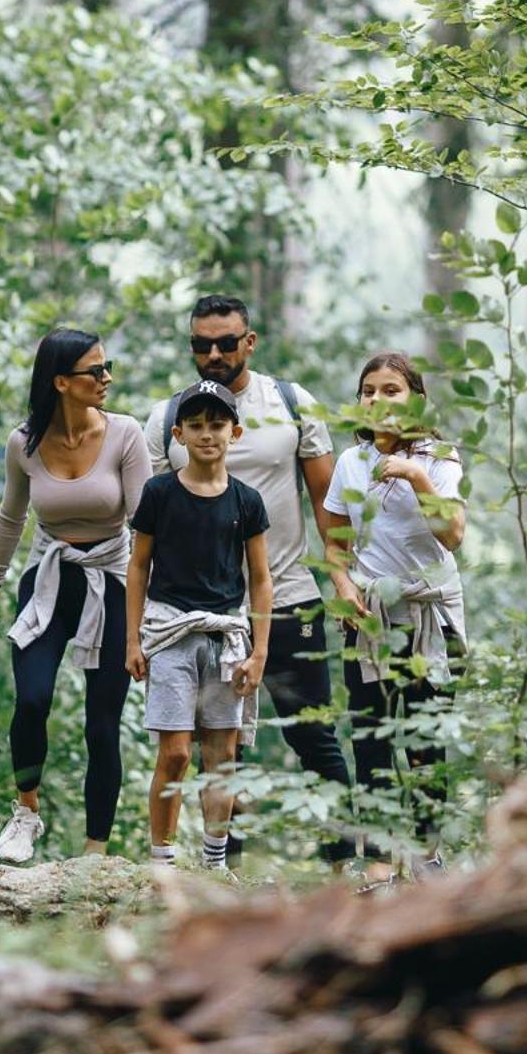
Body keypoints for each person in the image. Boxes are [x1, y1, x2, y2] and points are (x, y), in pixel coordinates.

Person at [144, 294, 353, 866]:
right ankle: (224, 870)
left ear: (249, 342)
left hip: (285, 599)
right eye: (200, 344)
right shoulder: (167, 419)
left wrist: (343, 580)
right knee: (219, 745)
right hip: (196, 614)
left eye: (225, 342)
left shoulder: (291, 404)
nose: (213, 353)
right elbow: (151, 527)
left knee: (312, 733)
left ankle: (349, 864)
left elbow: (326, 503)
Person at [0, 327, 149, 864]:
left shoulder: (125, 435)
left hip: (114, 579)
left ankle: (95, 849)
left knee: (102, 721)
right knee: (31, 699)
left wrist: (151, 611)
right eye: (95, 371)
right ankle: (26, 812)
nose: (107, 378)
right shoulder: (24, 441)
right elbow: (11, 515)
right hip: (50, 576)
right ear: (60, 382)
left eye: (106, 366)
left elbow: (146, 527)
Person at [322, 351, 467, 873]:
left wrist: (415, 476)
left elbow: (452, 535)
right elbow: (335, 544)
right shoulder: (349, 462)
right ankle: (380, 866)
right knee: (372, 740)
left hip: (431, 616)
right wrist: (342, 586)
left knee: (426, 743)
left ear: (417, 400)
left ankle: (429, 859)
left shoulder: (440, 458)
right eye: (368, 391)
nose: (377, 400)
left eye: (391, 390)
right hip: (369, 619)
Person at [125, 381, 273, 870]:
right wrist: (133, 640)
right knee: (175, 755)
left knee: (221, 757)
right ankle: (161, 862)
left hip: (226, 637)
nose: (207, 435)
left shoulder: (247, 501)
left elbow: (260, 578)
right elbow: (138, 565)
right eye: (195, 425)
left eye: (216, 425)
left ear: (236, 431)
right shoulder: (159, 492)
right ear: (178, 434)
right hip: (170, 634)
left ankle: (215, 863)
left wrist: (259, 653)